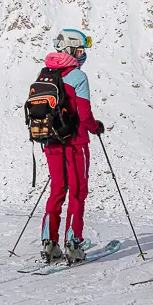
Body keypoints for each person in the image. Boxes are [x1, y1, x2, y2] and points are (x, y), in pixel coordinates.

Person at [38, 29, 104, 264]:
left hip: (51, 142)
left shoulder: (44, 73)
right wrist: (96, 127)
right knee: (77, 192)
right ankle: (72, 243)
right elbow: (85, 115)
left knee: (57, 190)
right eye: (81, 50)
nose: (83, 54)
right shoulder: (77, 76)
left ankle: (49, 242)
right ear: (72, 50)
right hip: (75, 143)